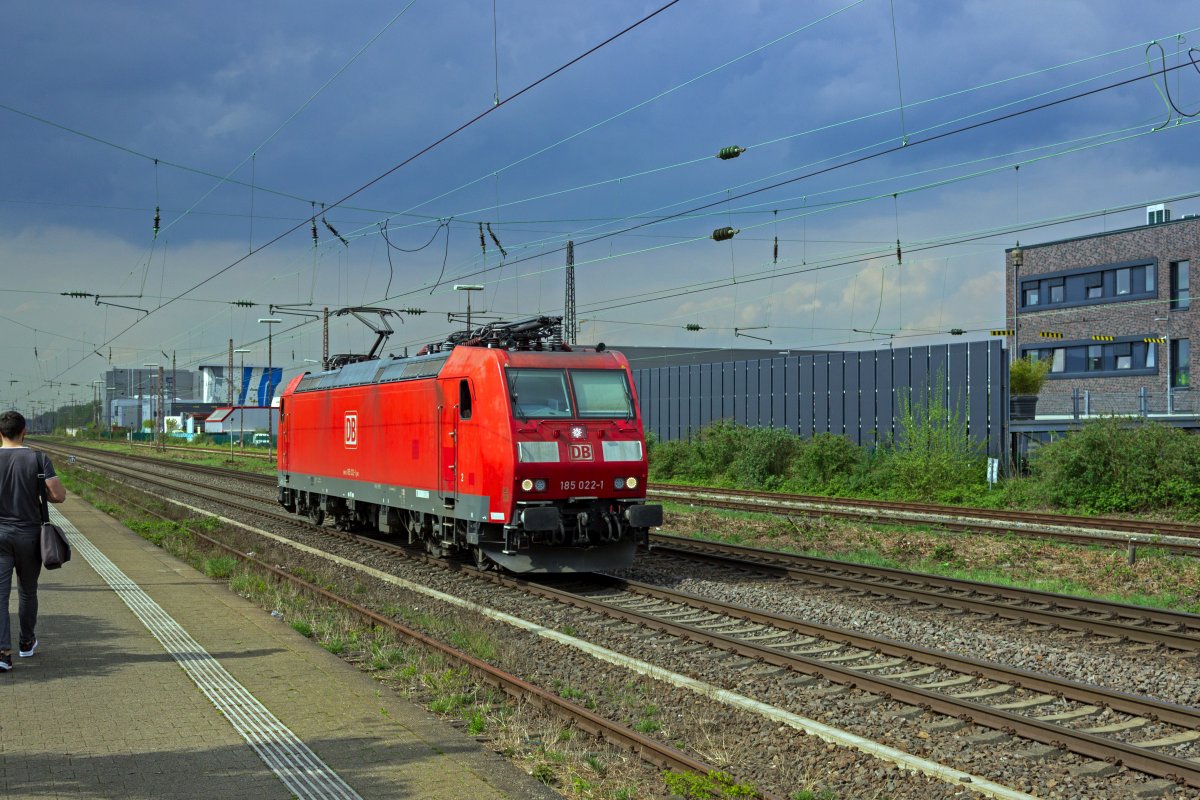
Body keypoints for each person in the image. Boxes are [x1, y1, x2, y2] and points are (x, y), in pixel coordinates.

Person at [0, 411, 66, 671]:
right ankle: (26, 643)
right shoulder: (38, 459)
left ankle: (3, 654)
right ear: (24, 430)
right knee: (27, 591)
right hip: (29, 535)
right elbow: (58, 496)